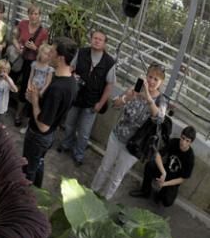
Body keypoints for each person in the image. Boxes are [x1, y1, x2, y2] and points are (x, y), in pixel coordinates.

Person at [91, 63, 168, 200]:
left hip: (134, 146)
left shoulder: (161, 100)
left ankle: (104, 199)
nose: (151, 81)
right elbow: (115, 104)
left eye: (156, 79)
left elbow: (159, 119)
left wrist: (148, 98)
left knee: (117, 176)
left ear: (161, 82)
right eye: (150, 76)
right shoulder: (135, 89)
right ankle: (92, 192)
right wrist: (128, 97)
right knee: (104, 167)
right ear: (146, 76)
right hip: (117, 135)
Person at [23, 37, 78, 187]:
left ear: (60, 58)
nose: (49, 54)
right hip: (49, 136)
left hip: (38, 136)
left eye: (52, 52)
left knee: (28, 170)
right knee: (39, 163)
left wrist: (34, 101)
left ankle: (24, 201)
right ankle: (38, 190)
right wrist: (38, 98)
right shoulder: (70, 81)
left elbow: (43, 126)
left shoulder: (57, 89)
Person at [60, 31, 116, 166]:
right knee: (69, 124)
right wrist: (72, 76)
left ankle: (78, 154)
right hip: (76, 96)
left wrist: (100, 103)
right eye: (95, 38)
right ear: (91, 39)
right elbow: (71, 68)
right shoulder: (82, 52)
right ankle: (66, 144)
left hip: (92, 102)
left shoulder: (109, 62)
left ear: (104, 43)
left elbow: (109, 85)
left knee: (84, 132)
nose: (97, 41)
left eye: (100, 39)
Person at [130, 126, 196, 207]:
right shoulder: (174, 142)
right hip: (165, 170)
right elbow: (158, 155)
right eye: (183, 138)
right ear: (181, 136)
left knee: (167, 202)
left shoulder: (190, 157)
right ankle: (145, 192)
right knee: (150, 165)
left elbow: (182, 179)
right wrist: (163, 172)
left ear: (191, 142)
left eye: (187, 141)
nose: (183, 142)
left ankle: (160, 195)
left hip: (173, 179)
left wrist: (164, 184)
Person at [13, 4, 49, 127]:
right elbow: (14, 38)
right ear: (28, 14)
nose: (33, 16)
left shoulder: (43, 32)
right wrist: (17, 46)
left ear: (40, 16)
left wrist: (35, 48)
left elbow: (45, 52)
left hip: (32, 64)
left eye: (36, 14)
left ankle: (19, 115)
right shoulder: (22, 24)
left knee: (25, 88)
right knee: (11, 79)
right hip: (19, 58)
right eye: (31, 13)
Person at [0, 59, 18, 126]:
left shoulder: (8, 81)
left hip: (1, 109)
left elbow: (15, 90)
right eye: (0, 69)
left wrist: (8, 80)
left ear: (8, 71)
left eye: (5, 70)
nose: (2, 72)